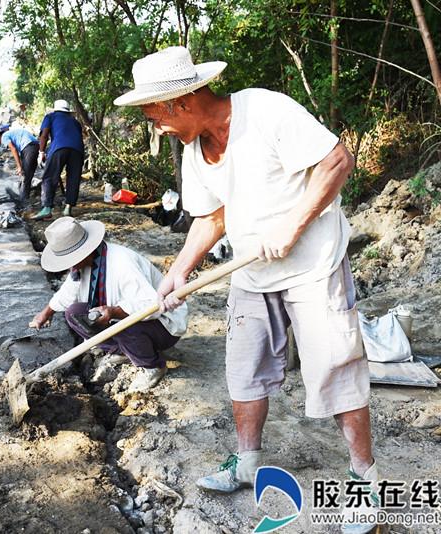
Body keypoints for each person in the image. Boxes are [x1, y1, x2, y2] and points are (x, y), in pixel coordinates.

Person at [115, 46, 376, 533]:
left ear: (182, 102)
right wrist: (179, 271)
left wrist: (294, 225)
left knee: (336, 370)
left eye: (154, 116)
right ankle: (248, 461)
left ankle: (363, 479)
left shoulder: (266, 110)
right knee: (244, 371)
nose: (155, 127)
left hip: (313, 267)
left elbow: (338, 160)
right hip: (252, 273)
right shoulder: (195, 152)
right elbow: (211, 216)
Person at [29, 217, 188, 392]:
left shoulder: (121, 262)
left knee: (124, 325)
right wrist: (46, 313)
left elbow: (151, 305)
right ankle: (122, 351)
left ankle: (153, 366)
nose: (69, 267)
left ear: (84, 252)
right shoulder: (81, 267)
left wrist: (114, 312)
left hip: (163, 325)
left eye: (70, 260)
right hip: (121, 320)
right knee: (73, 313)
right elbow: (67, 293)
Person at [32, 99, 85, 220]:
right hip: (78, 150)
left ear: (55, 109)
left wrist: (41, 152)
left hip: (59, 148)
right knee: (73, 178)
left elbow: (44, 135)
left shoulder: (50, 116)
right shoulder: (75, 121)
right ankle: (68, 208)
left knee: (49, 177)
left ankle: (47, 208)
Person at [0, 124, 40, 206]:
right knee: (28, 173)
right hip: (34, 145)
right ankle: (24, 197)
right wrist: (20, 166)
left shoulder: (4, 137)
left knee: (25, 176)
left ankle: (23, 202)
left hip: (27, 147)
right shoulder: (11, 134)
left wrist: (19, 167)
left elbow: (13, 149)